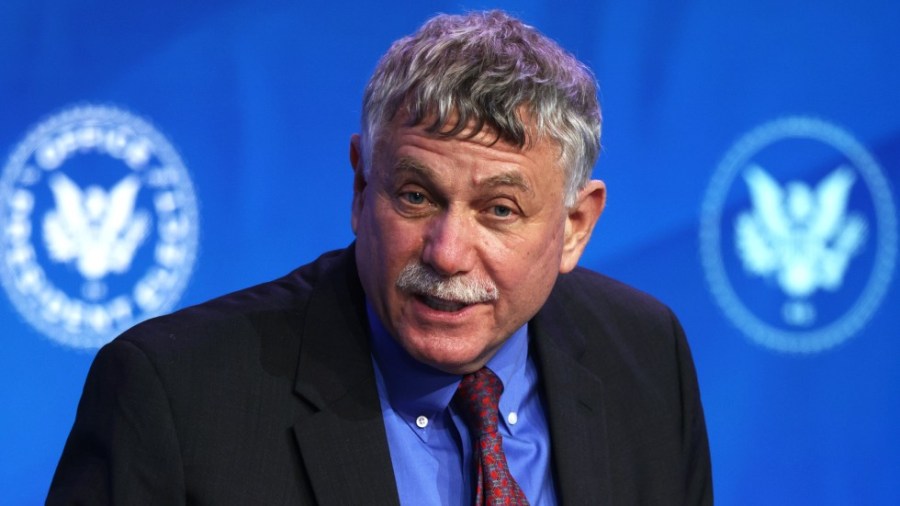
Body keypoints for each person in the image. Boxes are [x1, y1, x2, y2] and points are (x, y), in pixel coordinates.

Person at [48, 10, 712, 505]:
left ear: (575, 225)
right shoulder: (174, 398)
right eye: (417, 197)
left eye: (499, 210)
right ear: (363, 185)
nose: (447, 254)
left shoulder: (646, 358)